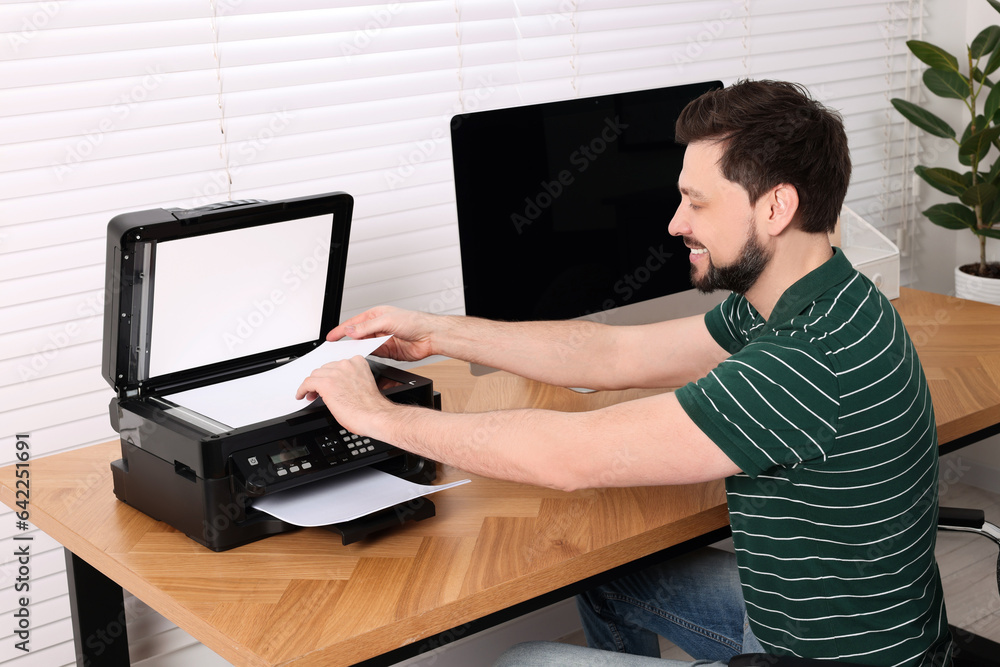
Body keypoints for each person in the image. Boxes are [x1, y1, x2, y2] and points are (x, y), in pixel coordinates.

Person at [296, 80, 953, 666]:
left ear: (775, 208)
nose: (675, 224)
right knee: (608, 574)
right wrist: (438, 330)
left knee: (524, 661)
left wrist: (376, 416)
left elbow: (574, 456)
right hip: (810, 629)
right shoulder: (818, 294)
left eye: (696, 203)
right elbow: (613, 356)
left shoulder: (802, 363)